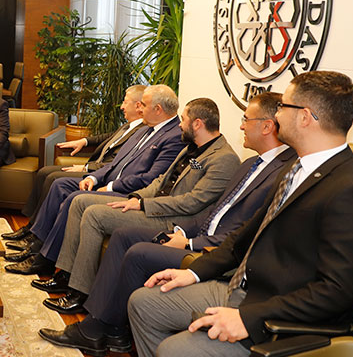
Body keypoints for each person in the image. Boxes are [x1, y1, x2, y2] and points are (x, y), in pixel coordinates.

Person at [123, 71, 353, 357]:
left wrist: (248, 318)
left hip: (281, 323)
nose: (276, 116)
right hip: (244, 290)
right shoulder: (296, 168)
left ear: (306, 117)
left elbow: (336, 291)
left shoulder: (352, 189)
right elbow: (242, 238)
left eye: (284, 107)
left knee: (177, 356)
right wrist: (192, 271)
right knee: (145, 302)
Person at [38, 92, 295, 356]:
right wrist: (139, 200)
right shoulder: (247, 163)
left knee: (123, 239)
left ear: (266, 126)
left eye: (246, 119)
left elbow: (207, 209)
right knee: (119, 233)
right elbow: (201, 204)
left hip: (206, 244)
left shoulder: (257, 166)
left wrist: (187, 239)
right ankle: (108, 327)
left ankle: (94, 323)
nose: (240, 126)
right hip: (189, 227)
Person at [41, 98, 240, 314]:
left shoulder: (224, 158)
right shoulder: (191, 147)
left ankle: (79, 292)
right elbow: (160, 181)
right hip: (153, 204)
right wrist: (136, 198)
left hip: (172, 219)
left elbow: (192, 202)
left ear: (198, 124)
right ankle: (66, 275)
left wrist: (144, 204)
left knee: (94, 215)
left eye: (183, 119)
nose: (180, 125)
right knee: (80, 201)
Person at [6, 85, 183, 276]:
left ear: (158, 109)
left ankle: (44, 259)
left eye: (144, 105)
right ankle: (36, 243)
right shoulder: (146, 128)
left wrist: (110, 186)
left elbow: (150, 179)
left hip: (128, 192)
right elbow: (115, 163)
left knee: (74, 199)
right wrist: (93, 177)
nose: (140, 110)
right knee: (60, 184)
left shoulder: (173, 137)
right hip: (108, 179)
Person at [8, 84, 146, 229]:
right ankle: (30, 222)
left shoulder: (141, 132)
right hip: (95, 168)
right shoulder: (128, 125)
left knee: (53, 178)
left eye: (125, 102)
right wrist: (84, 141)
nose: (121, 107)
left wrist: (86, 167)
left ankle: (34, 228)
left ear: (138, 106)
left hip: (100, 173)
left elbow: (118, 163)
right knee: (43, 172)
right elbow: (108, 137)